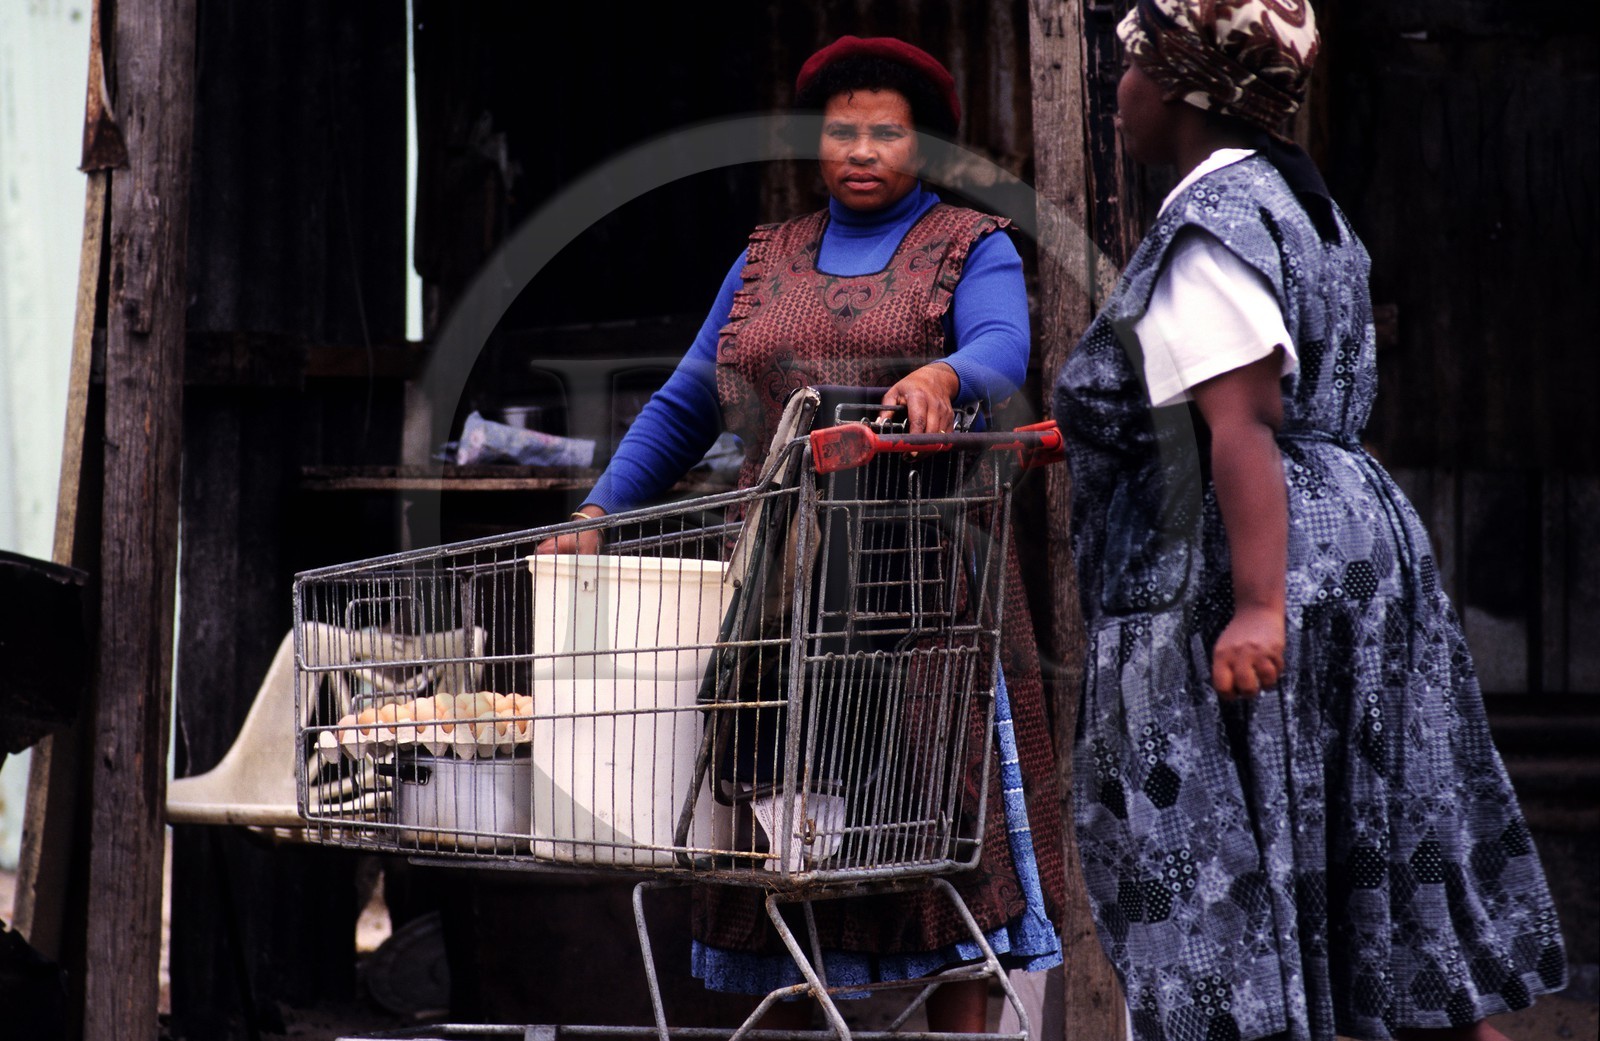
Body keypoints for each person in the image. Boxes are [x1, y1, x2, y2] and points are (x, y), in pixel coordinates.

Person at [1051, 3, 1566, 1040]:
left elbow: (1238, 421)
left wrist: (1256, 607)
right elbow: (1216, 405)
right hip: (1349, 534)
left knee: (1216, 838)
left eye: (1134, 69)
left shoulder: (1208, 226)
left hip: (1257, 549)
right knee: (1358, 818)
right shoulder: (1298, 201)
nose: (1120, 93)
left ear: (1185, 88)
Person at [537, 35, 1067, 1032]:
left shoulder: (969, 243)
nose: (861, 151)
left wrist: (943, 376)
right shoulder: (763, 258)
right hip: (780, 592)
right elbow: (686, 401)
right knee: (773, 833)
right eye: (841, 132)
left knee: (938, 831)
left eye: (887, 133)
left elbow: (1002, 345)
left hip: (922, 589)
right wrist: (599, 513)